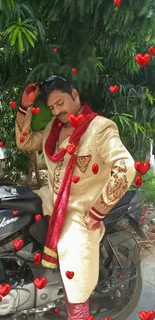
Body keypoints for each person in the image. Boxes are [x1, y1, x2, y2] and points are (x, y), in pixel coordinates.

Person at [15, 75, 136, 320]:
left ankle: (78, 312)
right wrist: (25, 107)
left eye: (60, 103)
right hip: (50, 203)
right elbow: (25, 142)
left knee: (75, 273)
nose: (57, 111)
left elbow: (126, 167)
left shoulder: (99, 128)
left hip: (79, 214)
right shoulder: (53, 129)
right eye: (51, 107)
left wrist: (98, 211)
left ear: (74, 94)